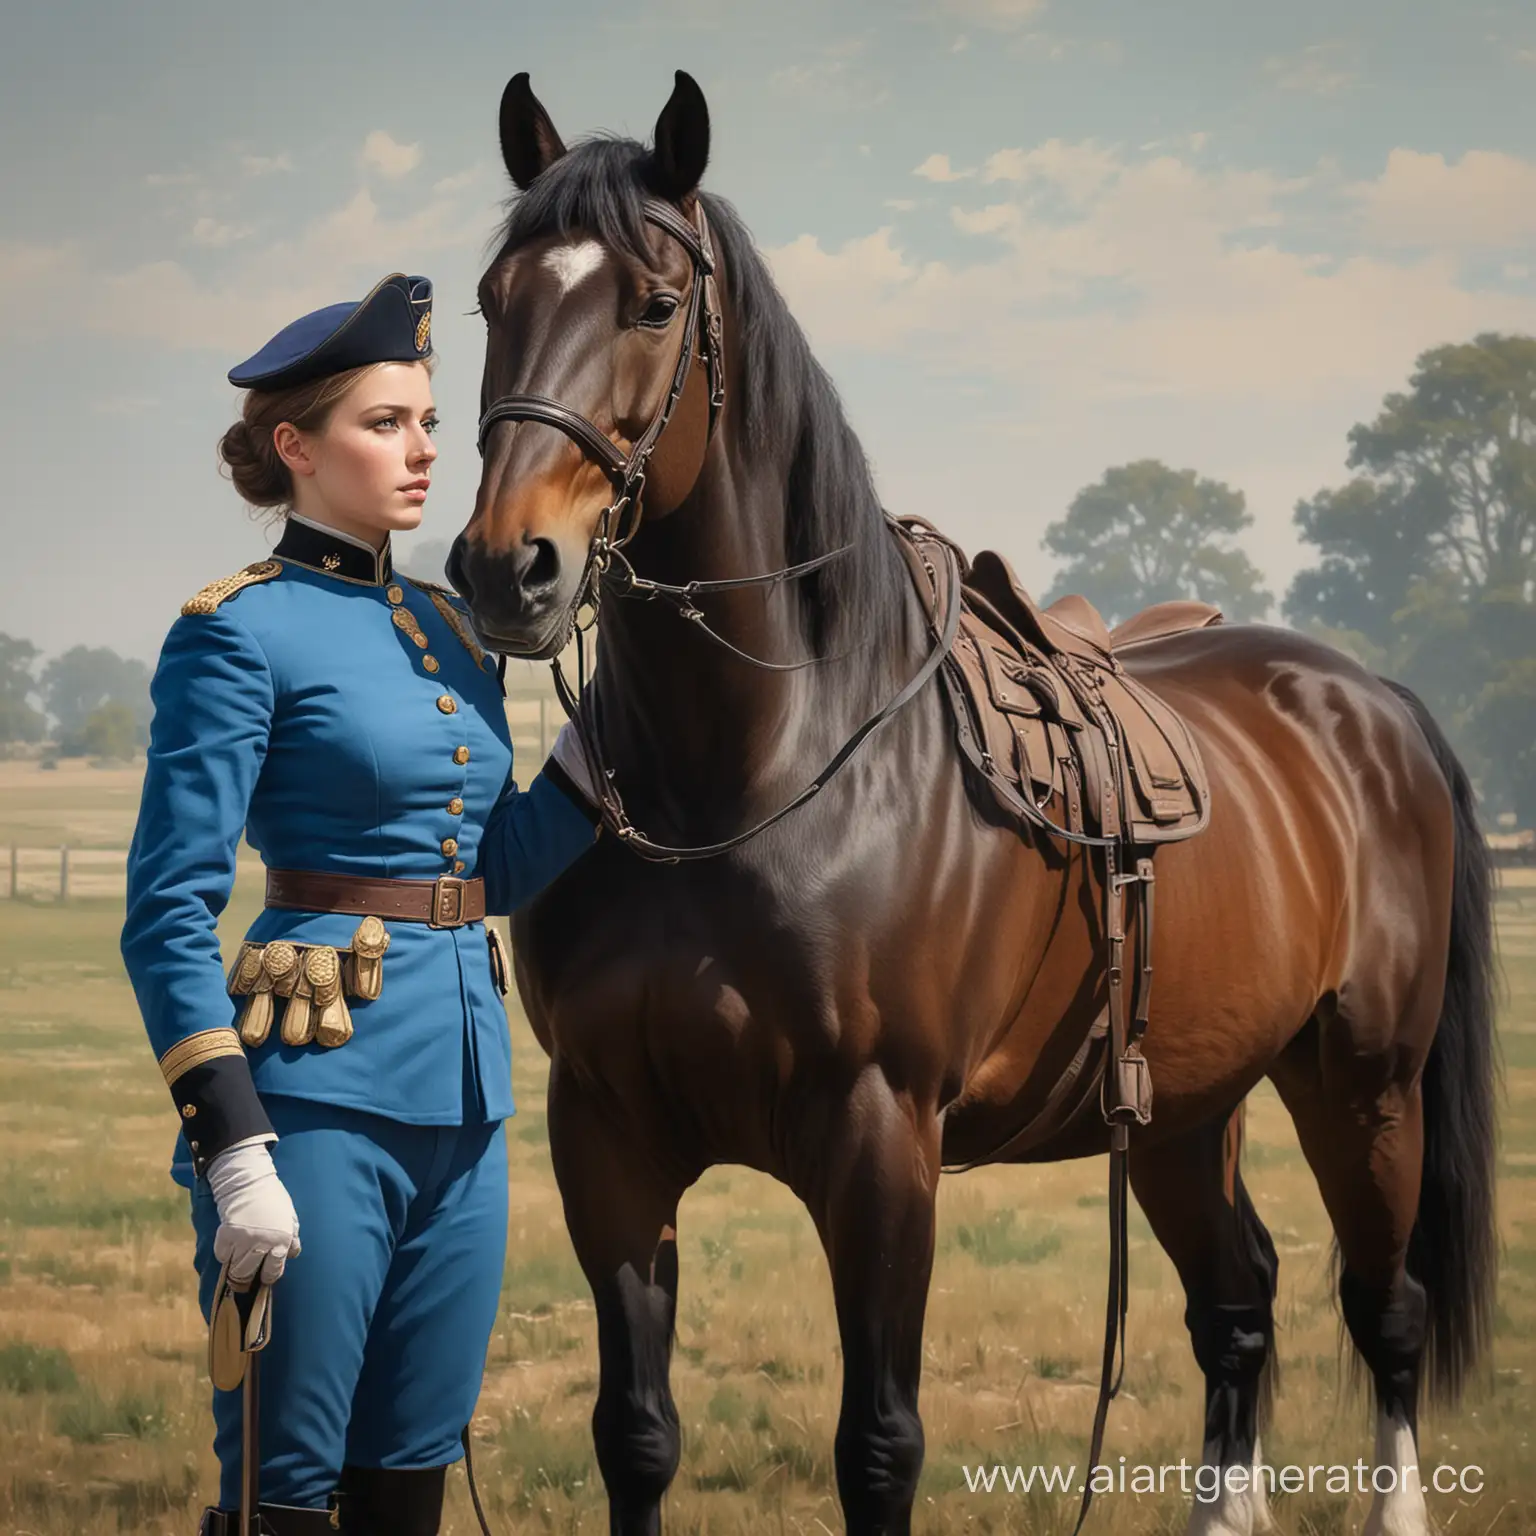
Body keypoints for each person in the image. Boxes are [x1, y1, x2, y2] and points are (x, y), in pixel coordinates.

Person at [120, 273, 599, 1536]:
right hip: (311, 1105)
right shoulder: (239, 633)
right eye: (385, 423)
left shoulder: (453, 632)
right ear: (296, 447)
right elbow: (167, 907)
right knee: (286, 1489)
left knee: (408, 1482)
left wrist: (602, 758)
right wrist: (231, 1145)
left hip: (467, 1103)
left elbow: (482, 872)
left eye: (430, 421)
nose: (425, 448)